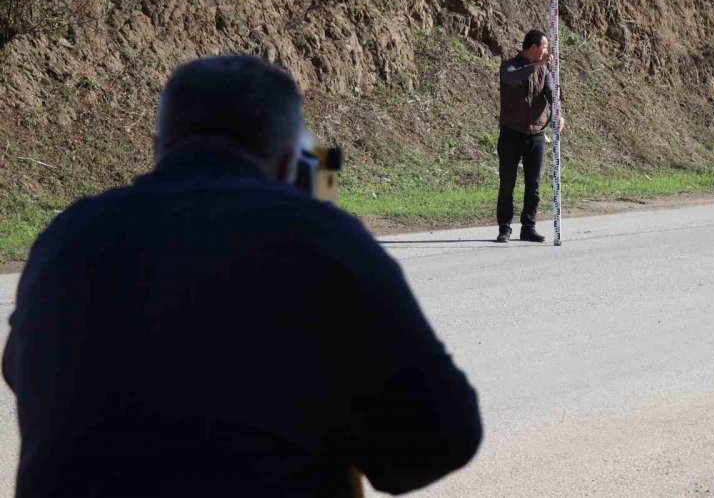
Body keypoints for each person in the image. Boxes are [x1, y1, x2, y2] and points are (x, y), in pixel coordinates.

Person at [3, 55, 482, 497]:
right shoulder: (319, 239)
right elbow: (444, 434)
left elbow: (20, 368)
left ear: (158, 147)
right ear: (290, 161)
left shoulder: (66, 236)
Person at [496, 30, 565, 243]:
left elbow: (552, 94)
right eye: (544, 47)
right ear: (534, 48)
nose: (547, 52)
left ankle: (528, 227)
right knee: (508, 183)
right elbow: (511, 79)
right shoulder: (510, 66)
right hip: (511, 134)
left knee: (533, 185)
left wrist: (558, 114)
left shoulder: (545, 70)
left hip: (536, 134)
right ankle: (505, 228)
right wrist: (538, 65)